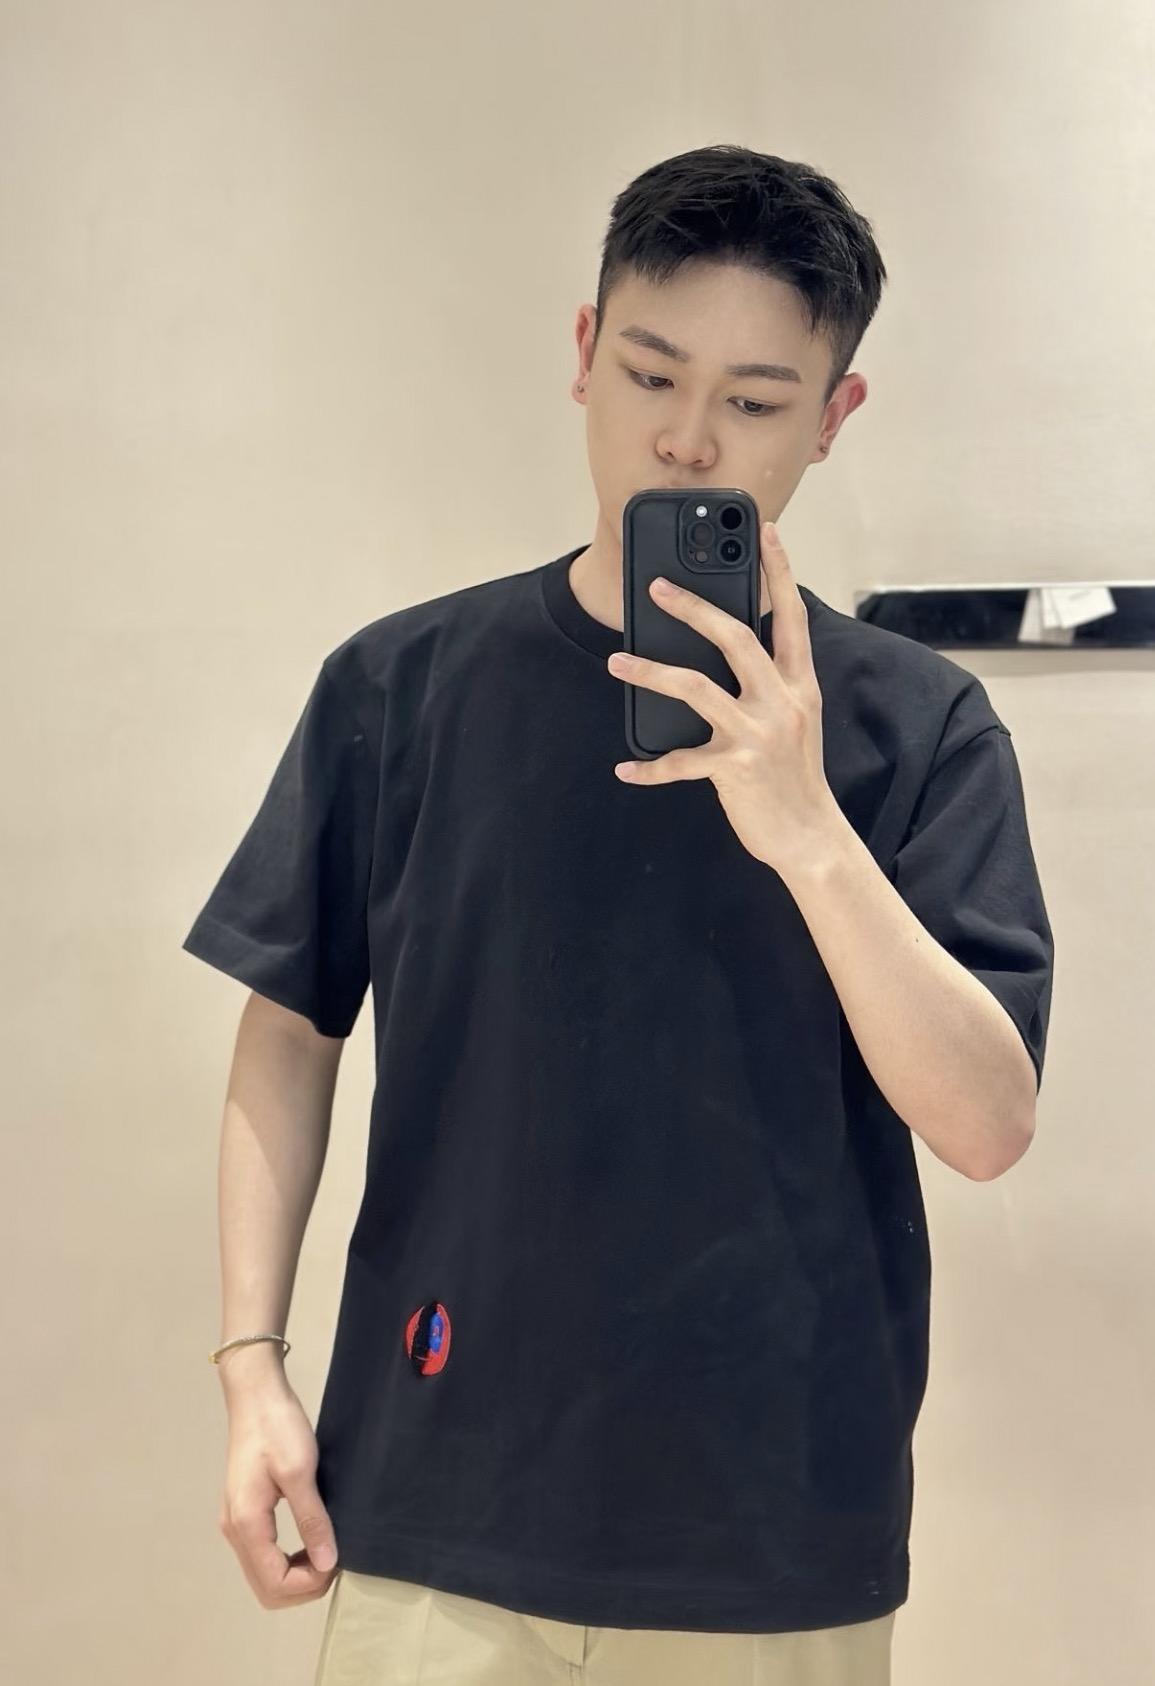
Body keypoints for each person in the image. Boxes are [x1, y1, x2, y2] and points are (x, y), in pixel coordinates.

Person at [184, 144, 1054, 1686]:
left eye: (759, 401)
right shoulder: (403, 686)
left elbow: (987, 1123)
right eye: (653, 371)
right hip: (437, 1501)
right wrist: (253, 1365)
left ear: (836, 416)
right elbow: (291, 1028)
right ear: (585, 350)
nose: (689, 437)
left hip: (773, 1535)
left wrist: (809, 833)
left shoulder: (918, 727)